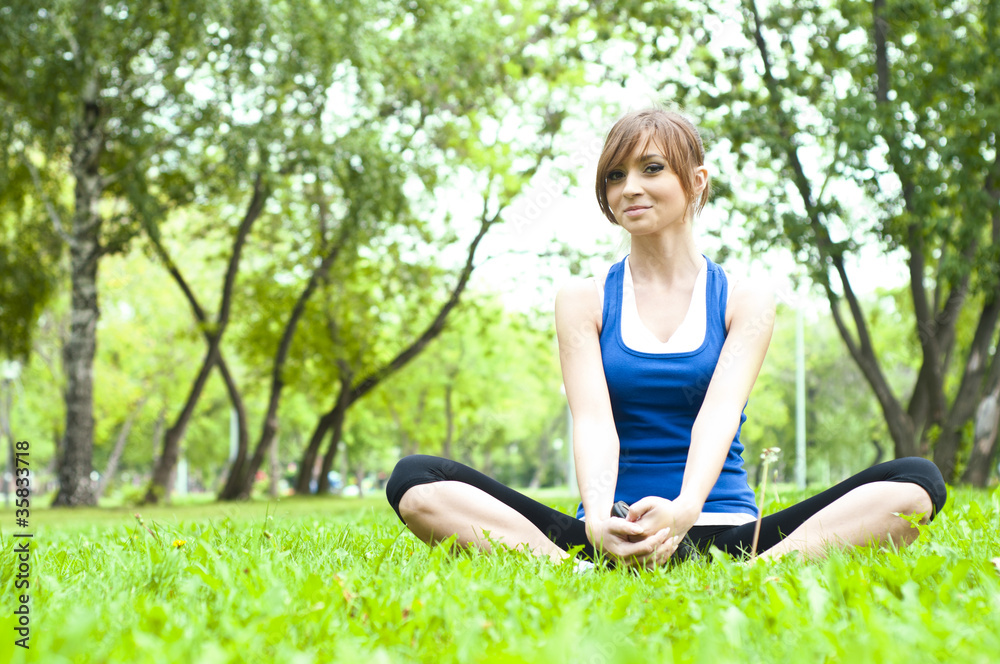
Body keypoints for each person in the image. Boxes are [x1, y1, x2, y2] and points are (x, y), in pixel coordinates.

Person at [385, 107, 946, 568]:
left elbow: (718, 417)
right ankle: (576, 572)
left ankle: (761, 572)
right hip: (606, 534)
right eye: (615, 175)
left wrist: (682, 512)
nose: (630, 187)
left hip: (724, 532)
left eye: (651, 169)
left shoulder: (744, 298)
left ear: (696, 182)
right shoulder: (582, 299)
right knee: (416, 482)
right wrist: (601, 519)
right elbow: (593, 421)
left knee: (915, 483)